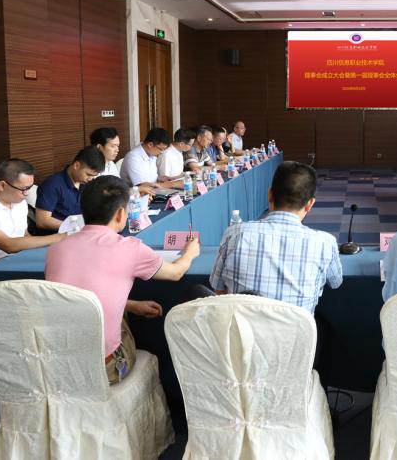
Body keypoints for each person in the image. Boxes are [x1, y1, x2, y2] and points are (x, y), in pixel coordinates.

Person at [45, 175, 201, 384]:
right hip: (103, 368)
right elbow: (175, 273)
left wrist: (130, 304)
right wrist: (190, 252)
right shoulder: (129, 248)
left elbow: (74, 297)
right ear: (120, 214)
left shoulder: (56, 249)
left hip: (56, 363)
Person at [209, 161, 342, 311]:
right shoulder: (325, 243)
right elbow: (336, 282)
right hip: (296, 327)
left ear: (270, 195)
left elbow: (218, 288)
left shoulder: (234, 233)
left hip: (240, 325)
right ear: (310, 204)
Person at [0, 159, 64, 287]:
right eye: (24, 189)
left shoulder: (19, 202)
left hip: (15, 260)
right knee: (50, 283)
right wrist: (60, 237)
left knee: (59, 267)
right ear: (2, 185)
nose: (26, 194)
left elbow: (25, 236)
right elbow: (8, 245)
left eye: (29, 188)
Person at [34, 146, 105, 234]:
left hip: (81, 232)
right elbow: (42, 221)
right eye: (88, 174)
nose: (90, 179)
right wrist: (75, 227)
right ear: (76, 165)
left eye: (93, 176)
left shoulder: (87, 183)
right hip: (58, 235)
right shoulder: (52, 184)